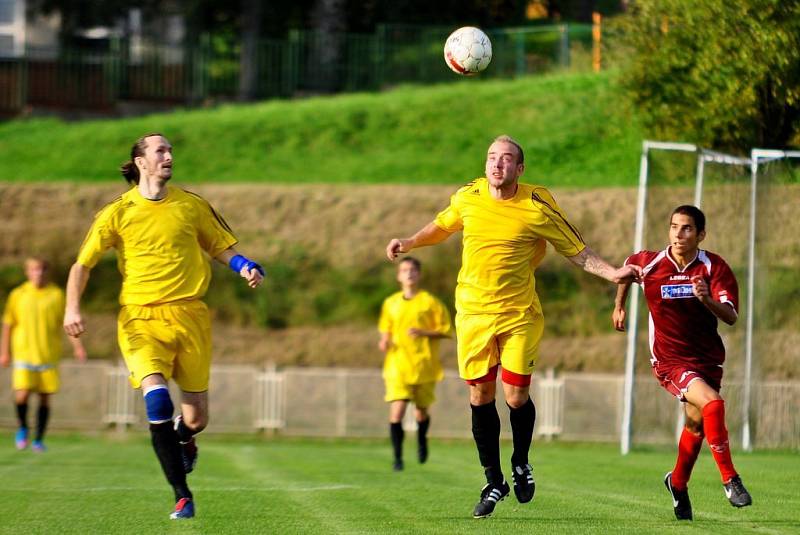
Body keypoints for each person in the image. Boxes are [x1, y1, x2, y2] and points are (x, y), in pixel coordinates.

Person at [384, 135, 641, 519]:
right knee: (479, 396)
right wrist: (409, 242)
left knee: (516, 398)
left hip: (519, 313)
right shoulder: (469, 195)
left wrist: (612, 273)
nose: (496, 164)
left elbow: (576, 249)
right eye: (491, 157)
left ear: (520, 169)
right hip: (472, 313)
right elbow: (441, 226)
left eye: (506, 159)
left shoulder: (537, 205)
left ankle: (521, 462)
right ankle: (493, 480)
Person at [63, 133, 264, 520]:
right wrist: (73, 307)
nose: (169, 156)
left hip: (190, 318)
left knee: (195, 419)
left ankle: (185, 437)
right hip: (140, 318)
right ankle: (182, 496)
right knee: (156, 399)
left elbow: (219, 245)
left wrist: (245, 266)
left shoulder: (191, 205)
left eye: (170, 150)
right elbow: (82, 265)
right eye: (161, 151)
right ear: (141, 162)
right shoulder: (117, 212)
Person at [612, 205, 752, 521]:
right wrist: (619, 306)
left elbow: (731, 316)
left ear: (701, 234)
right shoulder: (651, 262)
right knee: (713, 404)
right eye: (674, 226)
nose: (678, 233)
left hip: (707, 359)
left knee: (696, 424)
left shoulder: (714, 268)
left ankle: (677, 483)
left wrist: (706, 300)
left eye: (687, 228)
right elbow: (628, 269)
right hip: (670, 359)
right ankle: (730, 480)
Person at [1, 258, 87, 452]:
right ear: (27, 272)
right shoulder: (18, 294)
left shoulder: (56, 295)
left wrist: (78, 346)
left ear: (46, 271)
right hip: (23, 352)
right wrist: (4, 352)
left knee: (44, 397)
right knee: (22, 394)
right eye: (34, 269)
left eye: (41, 269)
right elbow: (8, 324)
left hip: (48, 354)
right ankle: (23, 428)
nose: (38, 273)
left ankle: (39, 439)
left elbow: (66, 323)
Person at [378, 256, 451, 472]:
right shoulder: (390, 303)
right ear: (399, 275)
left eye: (413, 270)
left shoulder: (430, 302)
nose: (409, 273)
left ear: (419, 274)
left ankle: (421, 439)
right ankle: (398, 458)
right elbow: (385, 327)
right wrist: (384, 339)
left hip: (423, 366)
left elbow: (446, 330)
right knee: (397, 412)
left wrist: (424, 332)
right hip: (397, 365)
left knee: (421, 412)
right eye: (404, 270)